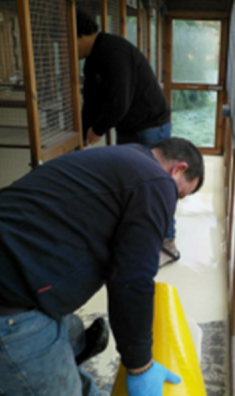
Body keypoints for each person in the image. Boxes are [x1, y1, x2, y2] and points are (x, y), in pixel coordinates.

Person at [0, 137, 204, 396]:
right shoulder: (158, 183)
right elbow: (132, 281)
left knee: (70, 331)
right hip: (9, 304)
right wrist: (140, 366)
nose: (174, 202)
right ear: (179, 169)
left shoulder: (125, 158)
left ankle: (73, 344)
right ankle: (59, 351)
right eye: (180, 193)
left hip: (11, 260)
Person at [76, 9, 180, 264]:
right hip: (129, 129)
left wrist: (97, 130)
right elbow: (91, 103)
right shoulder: (92, 61)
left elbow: (118, 101)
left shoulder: (114, 50)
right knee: (130, 181)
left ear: (77, 35)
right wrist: (82, 132)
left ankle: (167, 241)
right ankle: (132, 235)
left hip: (150, 125)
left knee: (156, 181)